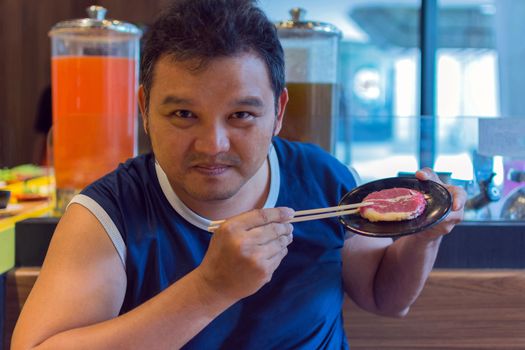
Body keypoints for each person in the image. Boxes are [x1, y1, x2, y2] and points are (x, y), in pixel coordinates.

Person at [12, 0, 466, 349]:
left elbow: (385, 298)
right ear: (144, 109)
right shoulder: (109, 212)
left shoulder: (323, 178)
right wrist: (210, 289)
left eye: (242, 115)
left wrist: (425, 237)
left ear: (279, 111)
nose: (213, 144)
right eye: (184, 114)